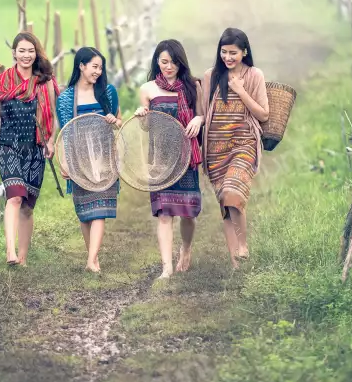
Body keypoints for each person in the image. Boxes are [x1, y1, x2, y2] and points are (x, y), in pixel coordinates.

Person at [0, 32, 59, 266]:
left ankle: (22, 257)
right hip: (9, 144)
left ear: (36, 53)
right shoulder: (2, 82)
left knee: (28, 207)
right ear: (14, 53)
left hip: (35, 146)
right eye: (21, 51)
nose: (26, 55)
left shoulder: (45, 81)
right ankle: (10, 252)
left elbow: (53, 113)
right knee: (14, 197)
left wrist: (51, 141)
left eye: (30, 51)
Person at [198, 27, 270, 269]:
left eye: (233, 53)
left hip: (243, 143)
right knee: (225, 204)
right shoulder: (211, 76)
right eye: (224, 52)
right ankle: (235, 263)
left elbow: (263, 114)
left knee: (233, 193)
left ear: (244, 52)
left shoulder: (254, 75)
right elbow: (204, 111)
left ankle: (243, 244)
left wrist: (240, 91)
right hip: (216, 148)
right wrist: (198, 120)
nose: (227, 58)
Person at [133, 39, 203, 279]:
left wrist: (198, 119)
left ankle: (186, 248)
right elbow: (145, 127)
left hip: (186, 157)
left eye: (173, 62)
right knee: (164, 213)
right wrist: (142, 115)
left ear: (180, 62)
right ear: (157, 62)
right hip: (160, 158)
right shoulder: (148, 89)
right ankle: (166, 267)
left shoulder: (193, 86)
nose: (169, 66)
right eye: (164, 62)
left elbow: (202, 113)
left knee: (187, 213)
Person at [56, 47, 121, 273]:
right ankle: (92, 258)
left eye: (100, 67)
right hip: (79, 159)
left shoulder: (109, 92)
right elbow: (65, 132)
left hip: (104, 159)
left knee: (100, 209)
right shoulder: (65, 98)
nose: (98, 71)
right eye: (94, 66)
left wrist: (114, 120)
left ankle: (91, 260)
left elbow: (120, 122)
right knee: (84, 212)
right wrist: (64, 161)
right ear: (81, 66)